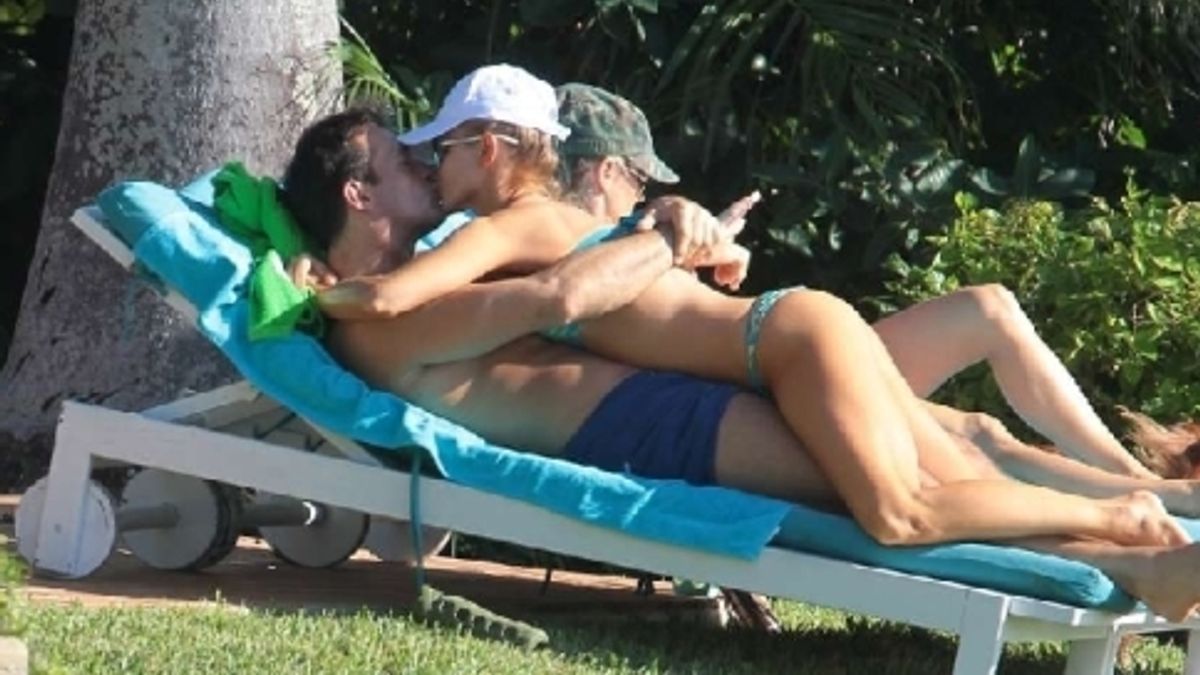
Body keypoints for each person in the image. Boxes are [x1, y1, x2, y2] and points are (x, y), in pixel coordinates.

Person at [283, 105, 1200, 622]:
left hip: (679, 404)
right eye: (400, 161)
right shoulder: (375, 323)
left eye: (429, 151)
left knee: (915, 493)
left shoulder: (423, 276)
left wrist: (665, 227)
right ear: (358, 195)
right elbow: (551, 299)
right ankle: (1146, 553)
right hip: (660, 419)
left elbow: (562, 290)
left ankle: (1133, 525)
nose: (423, 164)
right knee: (941, 475)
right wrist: (669, 232)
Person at [552, 81, 1153, 480]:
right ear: (605, 171)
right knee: (972, 434)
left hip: (791, 369)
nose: (643, 193)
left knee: (987, 315)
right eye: (639, 179)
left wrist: (692, 242)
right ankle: (1132, 500)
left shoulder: (623, 238)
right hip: (772, 395)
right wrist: (677, 235)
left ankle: (1135, 480)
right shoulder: (575, 253)